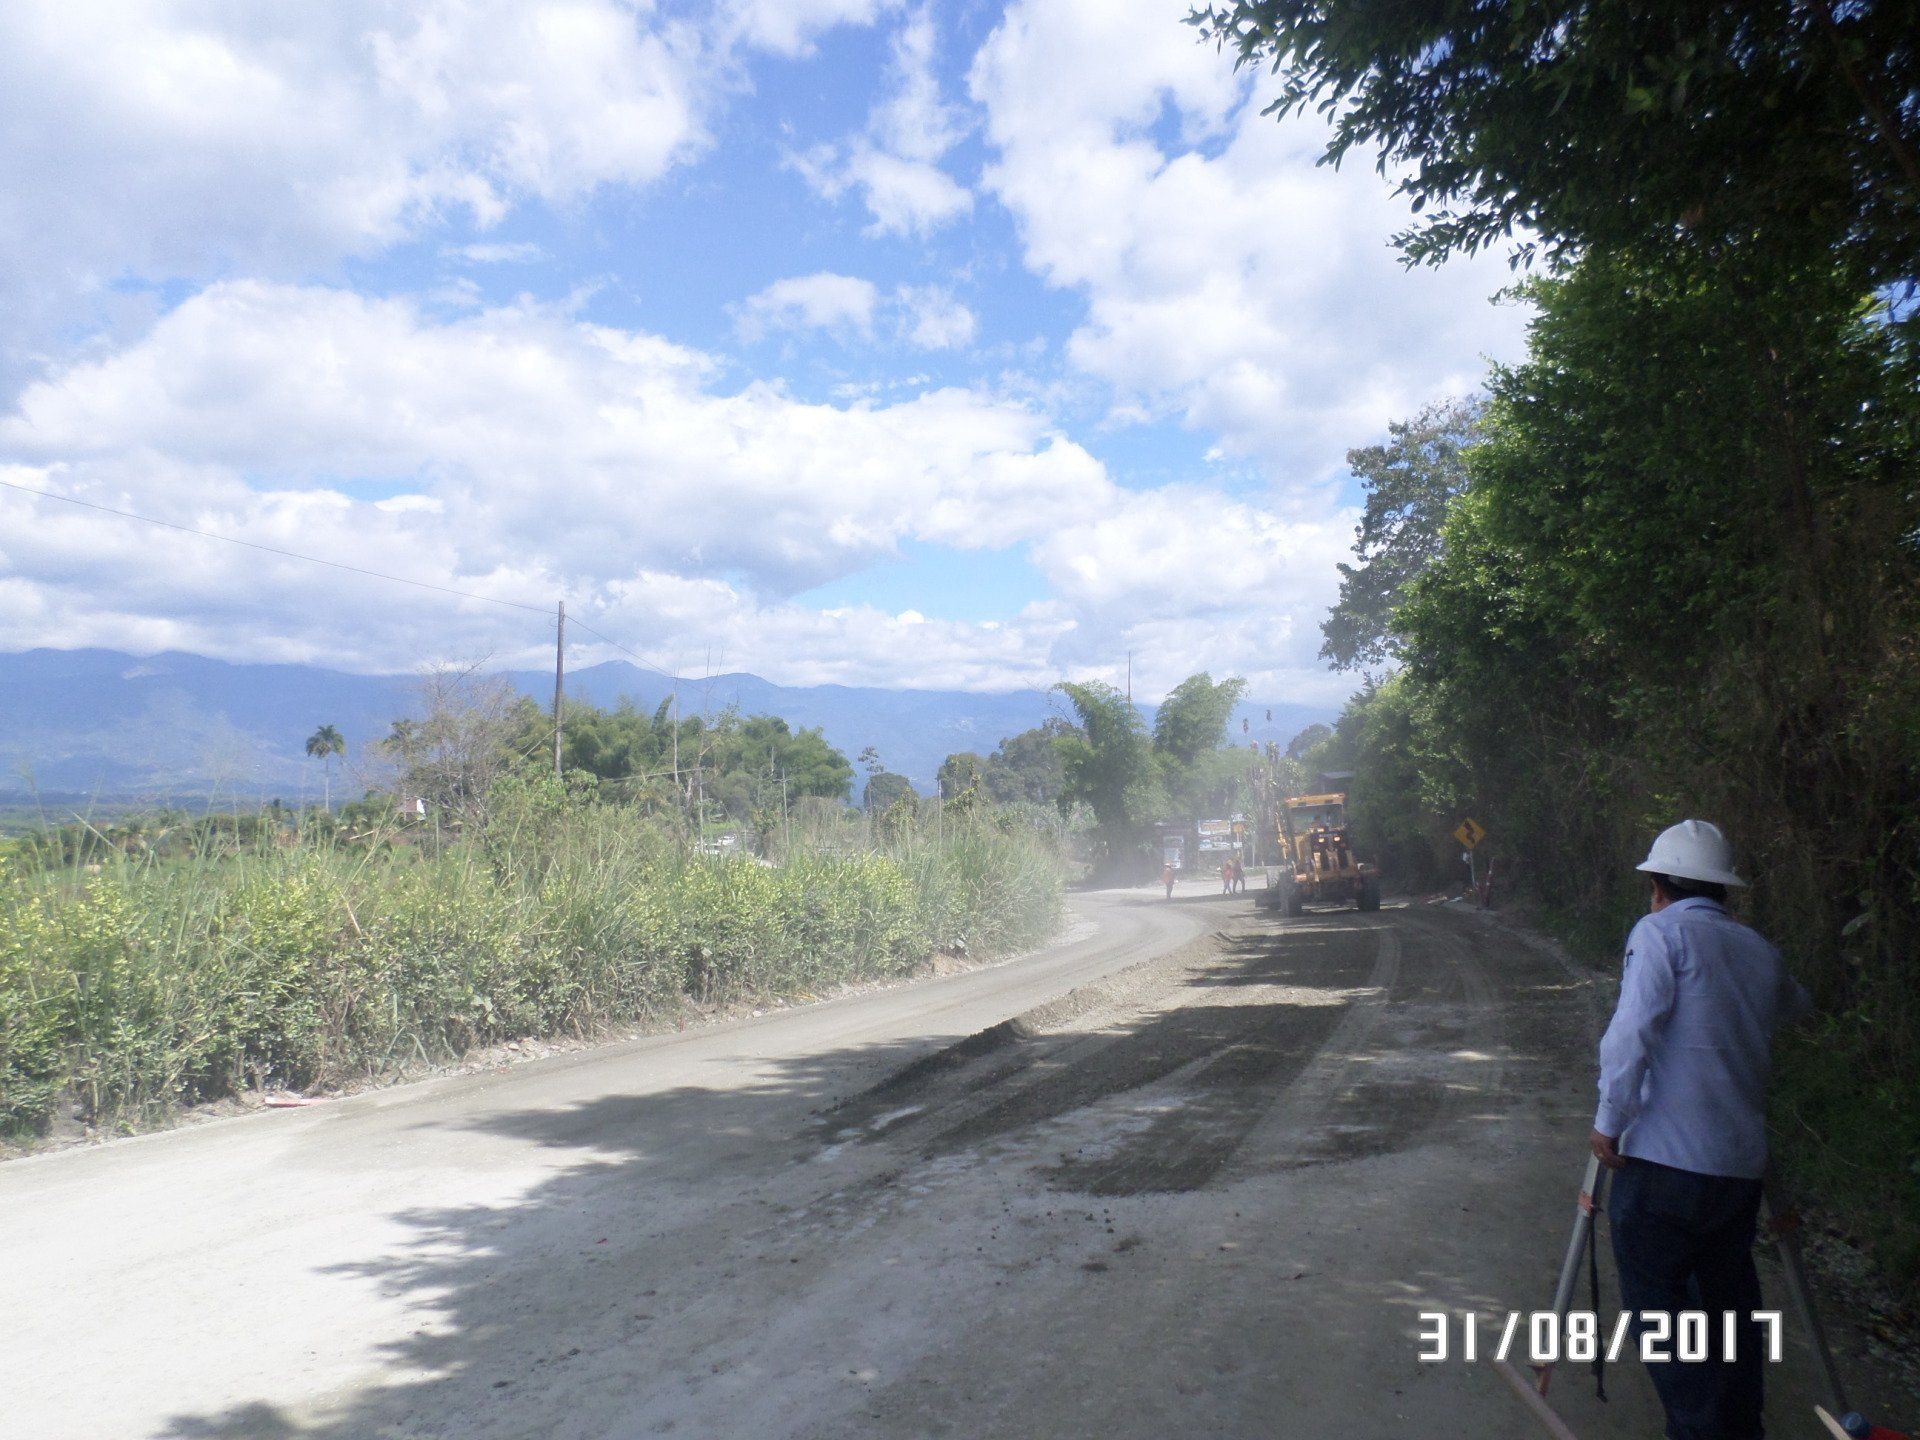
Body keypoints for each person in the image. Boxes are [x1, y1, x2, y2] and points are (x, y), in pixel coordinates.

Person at [1590, 820, 1811, 1440]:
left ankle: (1703, 1430)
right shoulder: (1757, 948)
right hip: (1738, 1173)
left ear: (1658, 885)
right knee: (1728, 1310)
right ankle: (1742, 1428)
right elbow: (1798, 1004)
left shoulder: (1659, 934)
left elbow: (1630, 1035)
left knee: (1662, 1317)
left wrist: (1608, 1123)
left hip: (1663, 1166)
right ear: (1723, 892)